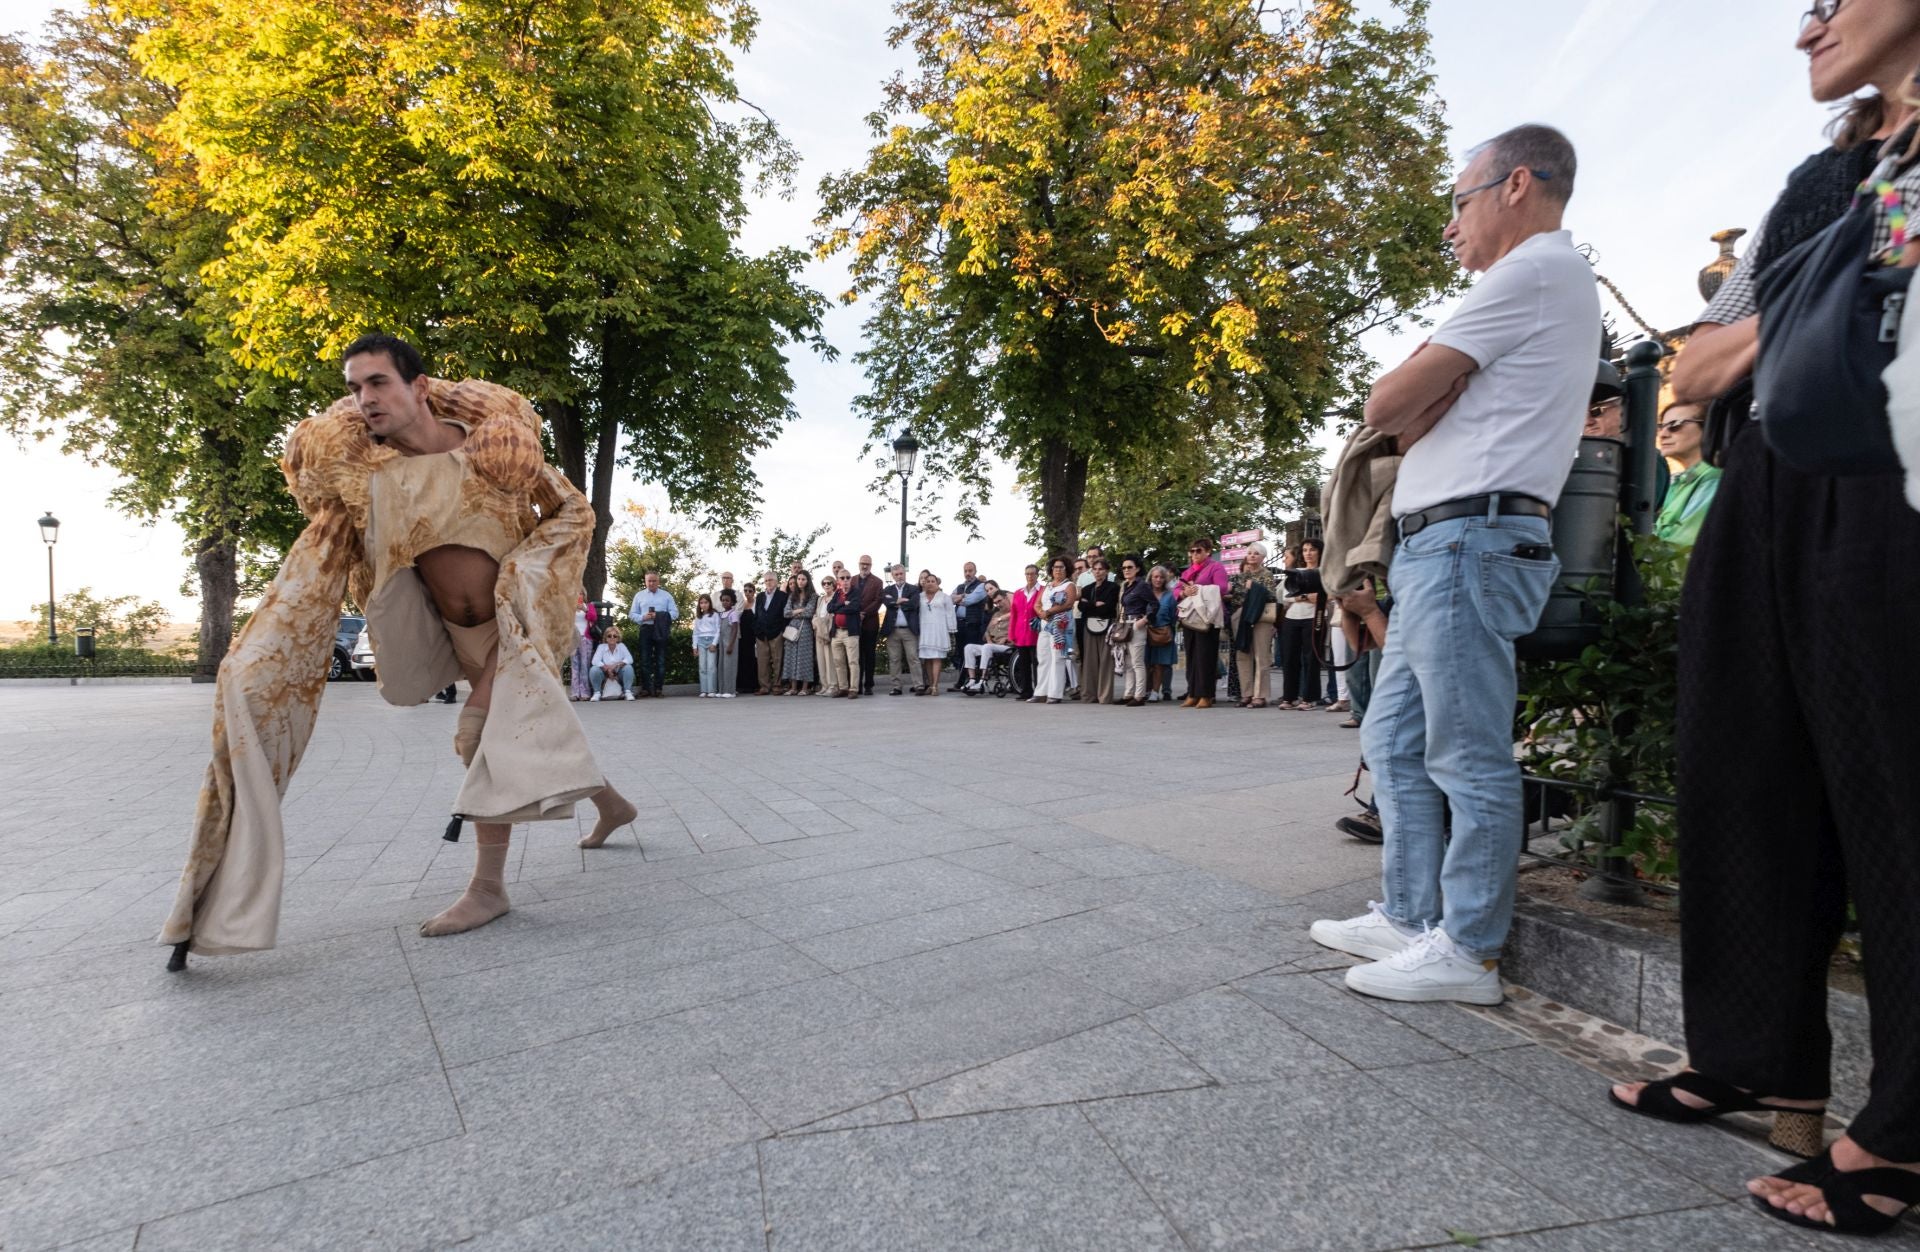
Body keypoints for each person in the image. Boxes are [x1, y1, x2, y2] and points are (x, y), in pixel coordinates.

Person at [1607, 7, 1920, 1233]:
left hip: (1892, 466)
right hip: (1772, 477)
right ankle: (1756, 1056)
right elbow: (1694, 368)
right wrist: (1801, 307)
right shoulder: (1828, 172)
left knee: (1896, 784)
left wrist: (1771, 328)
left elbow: (1769, 334)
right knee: (1742, 764)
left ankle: (1902, 1128)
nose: (1808, 26)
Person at [160, 335, 640, 965]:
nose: (364, 399)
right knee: (532, 729)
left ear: (418, 386)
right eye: (355, 387)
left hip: (517, 625)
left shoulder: (495, 452)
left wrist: (529, 574)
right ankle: (614, 806)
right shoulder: (370, 479)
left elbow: (575, 511)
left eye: (378, 382)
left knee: (481, 736)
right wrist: (258, 663)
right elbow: (321, 556)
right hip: (449, 633)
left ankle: (487, 887)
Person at [1309, 124, 1599, 1008]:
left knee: (1464, 752)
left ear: (1515, 185)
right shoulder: (1536, 279)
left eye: (1458, 201)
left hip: (1471, 538)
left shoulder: (1533, 270)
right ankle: (1409, 914)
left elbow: (1384, 402)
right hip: (1447, 539)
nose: (1450, 225)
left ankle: (1468, 949)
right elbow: (1401, 424)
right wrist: (1429, 393)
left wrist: (1423, 386)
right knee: (1393, 739)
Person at [1652, 400, 1721, 546]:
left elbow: (1680, 551)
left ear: (1708, 428)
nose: (1663, 434)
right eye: (1660, 427)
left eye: (1675, 426)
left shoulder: (1713, 478)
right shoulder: (1682, 481)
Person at [1175, 538, 1229, 707]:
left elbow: (1222, 587)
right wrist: (1185, 591)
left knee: (1205, 656)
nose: (1194, 554)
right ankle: (1192, 692)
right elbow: (1176, 590)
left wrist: (1198, 589)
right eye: (1192, 551)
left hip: (1207, 617)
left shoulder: (1216, 567)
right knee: (1191, 655)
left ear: (1207, 552)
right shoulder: (1188, 571)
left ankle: (1206, 694)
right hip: (1190, 617)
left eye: (1198, 550)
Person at [1227, 542, 1279, 709]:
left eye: (1256, 553)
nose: (1252, 556)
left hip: (1260, 617)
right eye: (1250, 553)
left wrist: (1255, 588)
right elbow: (1233, 596)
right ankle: (1246, 693)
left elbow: (1271, 595)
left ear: (1263, 557)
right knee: (1242, 654)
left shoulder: (1267, 575)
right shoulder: (1240, 576)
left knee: (1261, 656)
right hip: (1241, 616)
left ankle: (1260, 695)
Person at [1277, 543, 1322, 709]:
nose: (1308, 553)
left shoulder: (1323, 571)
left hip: (1314, 617)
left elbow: (1323, 596)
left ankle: (1309, 698)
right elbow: (1286, 596)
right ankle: (1289, 696)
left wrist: (1300, 596)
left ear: (1319, 552)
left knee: (1311, 658)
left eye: (1312, 549)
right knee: (1289, 658)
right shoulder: (1296, 573)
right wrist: (1305, 596)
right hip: (1292, 617)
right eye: (1305, 550)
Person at [1029, 557, 1076, 705]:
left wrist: (1048, 611)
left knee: (1057, 658)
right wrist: (1042, 613)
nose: (1058, 570)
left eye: (1061, 567)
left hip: (1060, 625)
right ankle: (1041, 692)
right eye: (1055, 567)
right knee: (1043, 658)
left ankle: (1055, 694)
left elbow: (1068, 604)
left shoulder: (1069, 585)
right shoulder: (1047, 586)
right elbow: (1037, 604)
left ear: (1066, 569)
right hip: (1044, 625)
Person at [1077, 557, 1119, 703]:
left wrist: (1090, 605)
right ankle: (1089, 694)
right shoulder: (1087, 589)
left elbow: (1108, 608)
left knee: (1106, 660)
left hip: (1107, 626)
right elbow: (1081, 608)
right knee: (1089, 661)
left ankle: (1105, 696)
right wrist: (1096, 604)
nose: (1097, 572)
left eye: (1100, 569)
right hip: (1089, 626)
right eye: (1095, 569)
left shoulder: (1113, 587)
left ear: (1106, 571)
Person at [628, 570, 676, 697]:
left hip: (661, 628)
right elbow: (632, 614)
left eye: (654, 580)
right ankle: (646, 689)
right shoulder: (639, 596)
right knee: (645, 660)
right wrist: (643, 617)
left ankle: (658, 689)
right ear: (645, 581)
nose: (651, 583)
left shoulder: (666, 596)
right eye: (649, 580)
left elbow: (675, 613)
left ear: (658, 581)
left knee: (660, 660)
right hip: (646, 628)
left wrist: (659, 616)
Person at [912, 571, 956, 694]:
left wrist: (951, 629)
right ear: (924, 583)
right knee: (927, 659)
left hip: (939, 631)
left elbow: (950, 614)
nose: (930, 583)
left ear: (937, 583)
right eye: (928, 581)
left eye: (933, 581)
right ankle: (930, 685)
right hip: (925, 631)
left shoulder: (945, 597)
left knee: (936, 658)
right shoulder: (920, 596)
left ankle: (935, 686)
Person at [880, 562, 921, 694]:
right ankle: (896, 687)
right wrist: (900, 601)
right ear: (892, 576)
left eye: (901, 573)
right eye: (896, 574)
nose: (899, 576)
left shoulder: (913, 589)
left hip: (909, 629)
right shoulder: (887, 590)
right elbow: (887, 603)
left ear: (905, 574)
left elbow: (914, 604)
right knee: (894, 659)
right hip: (893, 630)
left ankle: (919, 686)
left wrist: (896, 602)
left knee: (913, 658)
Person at [961, 583, 1011, 692]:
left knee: (987, 647)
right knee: (969, 647)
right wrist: (988, 639)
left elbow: (1018, 632)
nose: (998, 604)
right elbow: (987, 631)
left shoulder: (1013, 614)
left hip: (1007, 646)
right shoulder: (996, 615)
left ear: (1006, 599)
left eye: (1000, 601)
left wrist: (1007, 638)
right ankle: (972, 679)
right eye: (996, 602)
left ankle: (982, 680)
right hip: (993, 645)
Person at [1118, 557, 1154, 705]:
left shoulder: (1142, 586)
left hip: (1137, 624)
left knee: (1137, 662)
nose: (1126, 570)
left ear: (1137, 569)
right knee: (1128, 662)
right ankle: (1128, 693)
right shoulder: (1127, 585)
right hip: (1126, 624)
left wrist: (1144, 620)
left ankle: (1139, 696)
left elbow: (1155, 604)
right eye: (1124, 567)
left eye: (1129, 567)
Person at [1142, 564, 1178, 704]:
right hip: (1145, 630)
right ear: (1150, 578)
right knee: (1146, 663)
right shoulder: (1144, 593)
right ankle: (1146, 689)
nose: (1158, 579)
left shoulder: (1170, 596)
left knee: (1159, 664)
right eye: (1155, 577)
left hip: (1162, 632)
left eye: (1161, 577)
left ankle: (1156, 692)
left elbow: (1174, 616)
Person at [951, 561, 989, 690]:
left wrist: (961, 599)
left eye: (970, 570)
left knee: (970, 653)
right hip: (959, 624)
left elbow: (971, 600)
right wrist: (962, 596)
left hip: (973, 625)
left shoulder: (981, 585)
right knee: (960, 654)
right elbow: (950, 600)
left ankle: (966, 681)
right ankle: (963, 680)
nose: (968, 573)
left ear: (975, 571)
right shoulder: (960, 586)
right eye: (965, 571)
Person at [825, 572, 863, 699]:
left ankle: (853, 689)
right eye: (842, 578)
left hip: (850, 632)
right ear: (838, 580)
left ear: (851, 579)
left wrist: (838, 608)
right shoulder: (837, 593)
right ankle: (843, 688)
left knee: (853, 661)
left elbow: (854, 608)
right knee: (838, 662)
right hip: (837, 633)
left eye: (848, 578)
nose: (845, 580)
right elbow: (829, 608)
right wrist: (842, 604)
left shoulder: (855, 592)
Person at [779, 572, 817, 695]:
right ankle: (793, 687)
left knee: (804, 657)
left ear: (808, 581)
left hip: (805, 628)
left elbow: (809, 613)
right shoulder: (792, 595)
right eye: (799, 579)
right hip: (792, 628)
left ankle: (805, 688)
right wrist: (800, 610)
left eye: (803, 579)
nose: (800, 581)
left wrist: (794, 612)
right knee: (791, 656)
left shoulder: (813, 596)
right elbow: (785, 613)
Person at [853, 555, 885, 695]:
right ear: (858, 564)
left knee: (870, 655)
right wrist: (855, 613)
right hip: (854, 623)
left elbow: (878, 601)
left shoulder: (877, 581)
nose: (864, 566)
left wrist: (863, 613)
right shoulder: (852, 579)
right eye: (862, 563)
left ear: (871, 565)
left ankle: (868, 685)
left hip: (870, 623)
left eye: (867, 564)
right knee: (857, 656)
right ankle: (857, 685)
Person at [1009, 564, 1042, 700]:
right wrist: (1011, 634)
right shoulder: (1018, 592)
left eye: (1032, 574)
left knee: (1037, 663)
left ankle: (1039, 690)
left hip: (1036, 633)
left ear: (1037, 575)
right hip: (1021, 633)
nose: (1029, 576)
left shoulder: (1042, 591)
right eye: (1027, 574)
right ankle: (1026, 690)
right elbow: (1014, 614)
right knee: (1023, 664)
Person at [752, 572, 788, 694]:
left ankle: (777, 686)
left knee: (778, 660)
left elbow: (785, 616)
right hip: (761, 633)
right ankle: (764, 687)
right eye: (766, 580)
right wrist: (756, 629)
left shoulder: (782, 596)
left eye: (771, 580)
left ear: (776, 582)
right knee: (762, 661)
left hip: (776, 632)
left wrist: (782, 631)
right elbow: (757, 614)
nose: (768, 582)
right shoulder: (760, 596)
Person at [588, 626, 635, 701]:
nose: (612, 638)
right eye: (609, 636)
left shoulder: (621, 646)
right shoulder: (601, 647)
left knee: (628, 667)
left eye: (615, 636)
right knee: (594, 669)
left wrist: (616, 665)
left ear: (618, 638)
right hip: (604, 674)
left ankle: (627, 692)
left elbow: (630, 659)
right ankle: (597, 693)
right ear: (606, 638)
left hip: (618, 673)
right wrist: (607, 669)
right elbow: (595, 661)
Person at [692, 593, 722, 696]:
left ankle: (712, 690)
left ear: (710, 603)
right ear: (699, 605)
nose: (704, 605)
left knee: (711, 666)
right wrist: (694, 647)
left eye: (706, 602)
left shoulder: (714, 615)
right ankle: (704, 690)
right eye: (701, 603)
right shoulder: (698, 617)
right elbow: (695, 633)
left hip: (711, 641)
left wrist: (714, 643)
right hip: (701, 642)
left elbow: (718, 630)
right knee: (702, 667)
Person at [571, 592, 597, 701]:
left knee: (585, 666)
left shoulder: (589, 606)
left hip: (586, 638)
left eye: (580, 593)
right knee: (575, 666)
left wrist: (585, 610)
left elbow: (593, 617)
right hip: (573, 639)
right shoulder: (569, 606)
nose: (578, 595)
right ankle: (575, 692)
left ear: (584, 595)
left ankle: (585, 692)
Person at [716, 587, 742, 698]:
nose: (725, 602)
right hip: (722, 643)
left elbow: (735, 629)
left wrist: (731, 644)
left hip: (730, 642)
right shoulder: (721, 614)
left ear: (732, 602)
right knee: (721, 665)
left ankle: (730, 690)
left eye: (727, 600)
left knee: (729, 666)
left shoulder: (733, 613)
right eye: (723, 600)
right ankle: (721, 690)